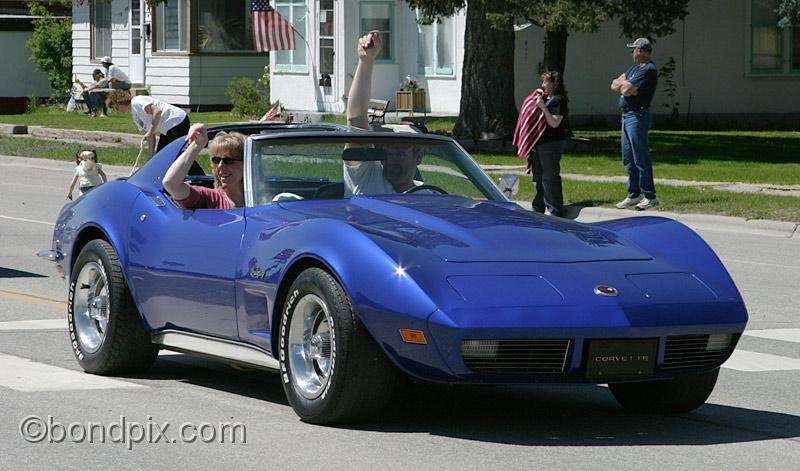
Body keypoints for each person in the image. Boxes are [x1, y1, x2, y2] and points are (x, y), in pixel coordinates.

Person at [343, 31, 423, 195]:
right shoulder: (366, 177)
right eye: (388, 150)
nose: (392, 158)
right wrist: (366, 60)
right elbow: (356, 120)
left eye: (400, 152)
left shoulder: (429, 195)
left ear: (418, 157)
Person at [610, 37, 659, 210]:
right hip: (626, 116)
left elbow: (624, 89)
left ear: (642, 51)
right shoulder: (633, 69)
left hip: (638, 116)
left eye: (634, 49)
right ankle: (634, 193)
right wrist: (625, 85)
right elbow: (614, 84)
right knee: (628, 157)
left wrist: (625, 86)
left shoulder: (649, 70)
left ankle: (649, 196)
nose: (632, 53)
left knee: (640, 156)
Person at [163, 123, 246, 209]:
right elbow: (171, 183)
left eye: (228, 160)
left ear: (245, 162)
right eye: (216, 160)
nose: (220, 165)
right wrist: (196, 145)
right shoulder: (211, 198)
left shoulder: (258, 198)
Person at [106, 90, 192, 158]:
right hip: (168, 129)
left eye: (116, 107)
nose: (117, 111)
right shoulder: (135, 115)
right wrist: (150, 157)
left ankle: (198, 175)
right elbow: (151, 137)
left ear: (119, 102)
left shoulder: (137, 102)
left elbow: (157, 111)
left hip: (177, 121)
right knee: (161, 157)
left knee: (174, 155)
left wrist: (150, 131)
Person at [529, 71, 567, 217]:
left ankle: (554, 208)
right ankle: (538, 206)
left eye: (546, 82)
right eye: (543, 81)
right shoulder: (544, 98)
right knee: (537, 176)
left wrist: (543, 107)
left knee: (549, 176)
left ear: (553, 83)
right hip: (538, 143)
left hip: (551, 144)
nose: (543, 85)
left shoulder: (558, 100)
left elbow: (554, 123)